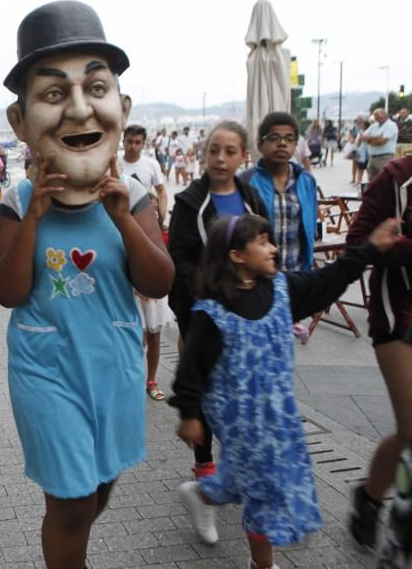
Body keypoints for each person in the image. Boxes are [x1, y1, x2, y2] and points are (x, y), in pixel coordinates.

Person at [0, 0, 174, 567]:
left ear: (121, 106)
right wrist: (37, 215)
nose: (77, 109)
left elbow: (160, 279)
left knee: (99, 486)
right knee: (70, 501)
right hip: (45, 368)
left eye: (95, 88)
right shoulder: (18, 202)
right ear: (19, 121)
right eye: (51, 94)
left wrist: (122, 217)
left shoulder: (133, 198)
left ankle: (71, 544)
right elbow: (9, 292)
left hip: (113, 363)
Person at [170, 214, 398, 569]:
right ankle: (263, 564)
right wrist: (190, 414)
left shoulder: (282, 290)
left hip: (280, 413)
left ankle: (202, 494)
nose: (273, 248)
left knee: (245, 477)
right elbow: (191, 370)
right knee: (263, 487)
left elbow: (328, 279)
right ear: (236, 255)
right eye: (262, 241)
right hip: (238, 418)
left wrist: (368, 249)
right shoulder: (212, 313)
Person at [167, 121, 268, 480]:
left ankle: (238, 457)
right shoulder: (189, 202)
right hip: (203, 312)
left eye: (229, 151)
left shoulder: (253, 199)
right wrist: (207, 297)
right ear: (204, 153)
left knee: (242, 387)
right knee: (204, 386)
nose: (220, 158)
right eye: (213, 150)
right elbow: (178, 258)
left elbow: (263, 248)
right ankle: (204, 461)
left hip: (248, 314)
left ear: (244, 156)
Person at [345, 156, 412, 556]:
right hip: (398, 313)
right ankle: (398, 525)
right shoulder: (397, 177)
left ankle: (371, 497)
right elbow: (359, 243)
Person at [239, 112, 319, 339]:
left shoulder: (306, 180)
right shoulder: (247, 181)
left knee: (282, 341)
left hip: (293, 276)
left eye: (289, 138)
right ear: (260, 143)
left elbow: (309, 227)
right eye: (274, 137)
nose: (282, 143)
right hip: (256, 279)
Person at [119, 124, 171, 401]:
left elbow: (161, 191)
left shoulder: (150, 165)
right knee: (133, 332)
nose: (134, 146)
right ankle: (133, 377)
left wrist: (160, 211)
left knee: (154, 332)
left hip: (147, 239)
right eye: (130, 141)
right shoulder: (115, 165)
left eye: (139, 142)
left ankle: (151, 379)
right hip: (123, 246)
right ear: (124, 141)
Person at [361, 107, 399, 179]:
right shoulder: (373, 126)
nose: (376, 117)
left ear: (385, 114)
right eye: (374, 115)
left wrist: (368, 140)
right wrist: (377, 137)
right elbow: (362, 137)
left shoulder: (391, 125)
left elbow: (382, 141)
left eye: (377, 114)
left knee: (384, 181)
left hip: (384, 158)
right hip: (372, 159)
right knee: (372, 183)